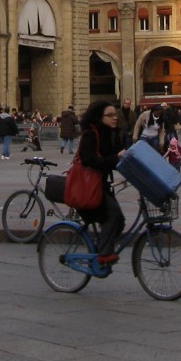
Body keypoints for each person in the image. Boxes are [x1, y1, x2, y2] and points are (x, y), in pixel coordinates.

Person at [76, 101, 127, 265]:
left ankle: (102, 247)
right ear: (100, 117)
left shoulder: (111, 134)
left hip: (101, 185)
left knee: (119, 221)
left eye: (115, 115)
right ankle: (103, 254)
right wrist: (116, 158)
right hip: (88, 186)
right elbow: (90, 160)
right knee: (113, 215)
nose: (114, 118)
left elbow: (117, 159)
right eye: (110, 115)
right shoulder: (91, 135)